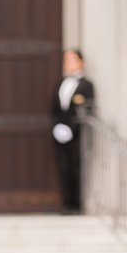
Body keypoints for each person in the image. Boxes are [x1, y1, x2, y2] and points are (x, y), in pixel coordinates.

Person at [50, 47, 95, 214]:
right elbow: (54, 109)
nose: (68, 63)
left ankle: (77, 205)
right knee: (63, 167)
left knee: (76, 167)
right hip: (60, 132)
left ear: (80, 62)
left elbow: (87, 109)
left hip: (77, 135)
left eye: (72, 59)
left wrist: (72, 129)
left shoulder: (86, 85)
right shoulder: (60, 83)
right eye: (66, 60)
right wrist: (57, 127)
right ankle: (66, 204)